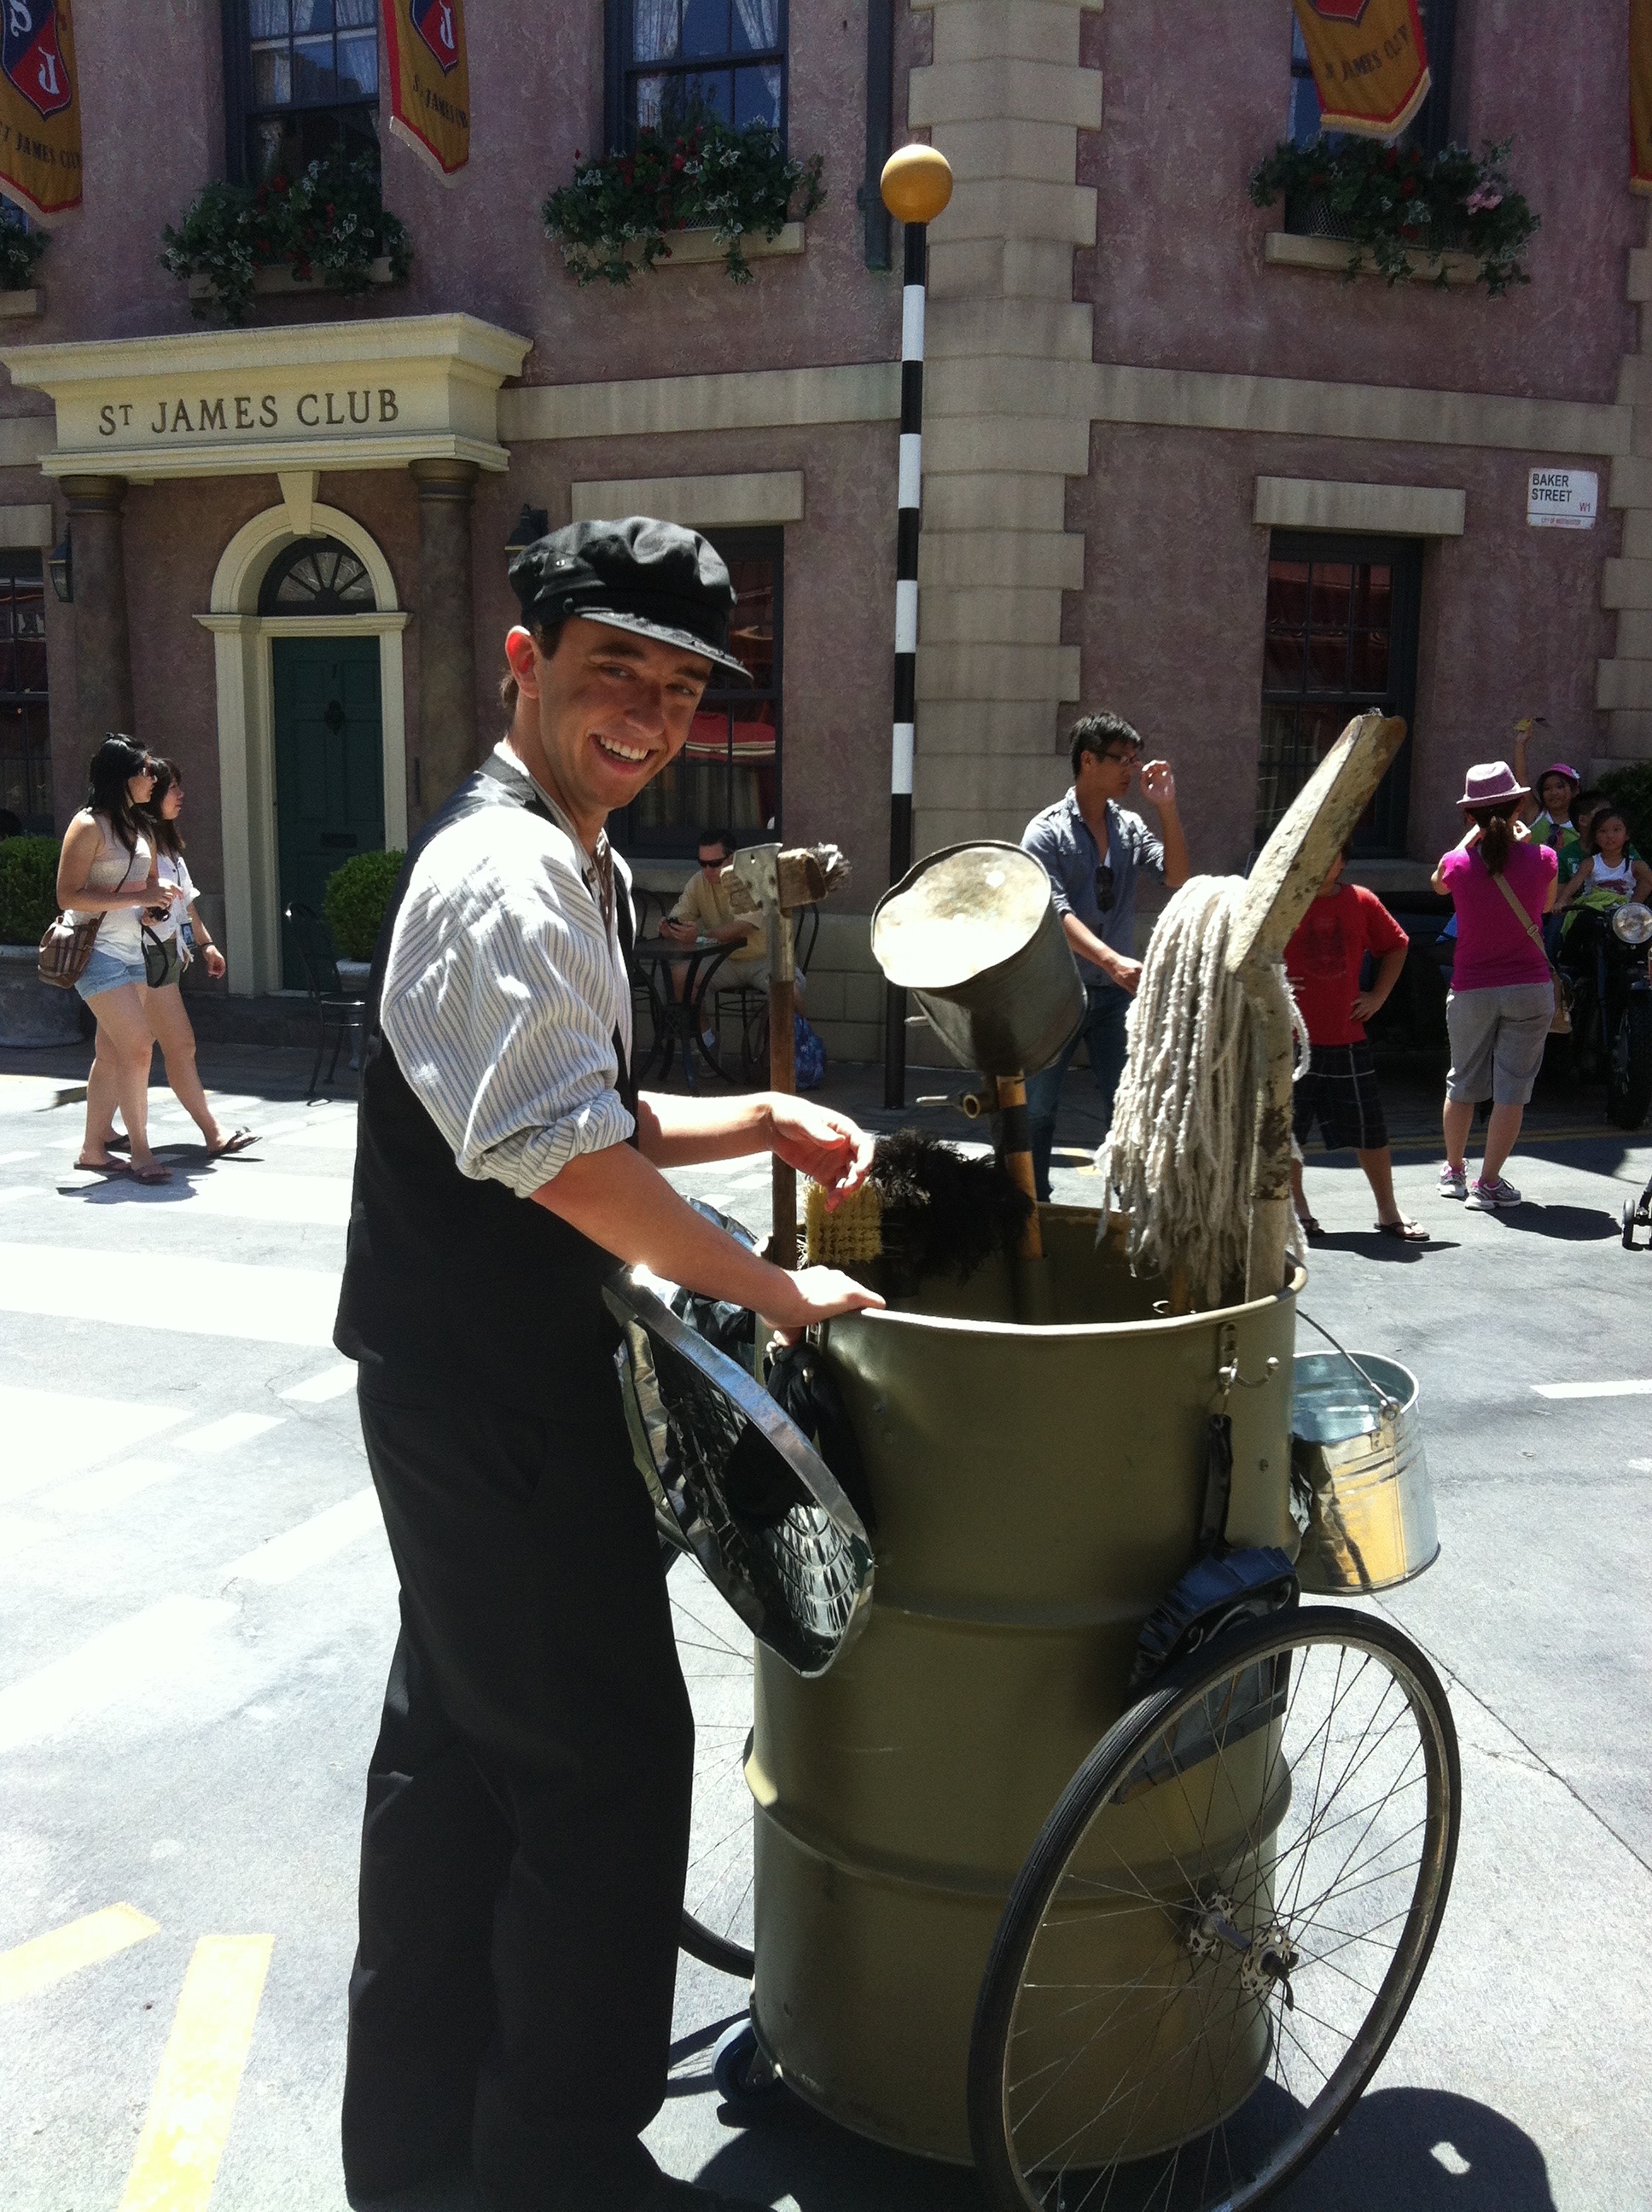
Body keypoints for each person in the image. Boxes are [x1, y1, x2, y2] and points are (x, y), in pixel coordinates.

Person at [332, 517, 882, 2212]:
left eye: (675, 684)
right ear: (524, 661)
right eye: (608, 674)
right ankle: (554, 2167)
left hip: (460, 1380)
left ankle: (420, 2159)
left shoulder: (556, 844)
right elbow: (561, 1164)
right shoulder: (508, 873)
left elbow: (577, 1102)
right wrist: (773, 1292)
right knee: (601, 1783)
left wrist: (756, 1119)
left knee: (454, 1770)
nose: (645, 714)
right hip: (501, 1399)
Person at [1020, 711, 1190, 1199]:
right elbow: (1055, 911)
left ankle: (1135, 1209)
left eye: (1135, 760)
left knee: (1129, 1105)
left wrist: (1168, 806)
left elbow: (1176, 875)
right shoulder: (1046, 832)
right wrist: (1110, 960)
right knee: (1037, 1110)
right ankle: (1031, 1209)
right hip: (1056, 994)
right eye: (1122, 759)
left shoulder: (1130, 827)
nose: (1132, 770)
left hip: (1115, 998)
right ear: (1088, 760)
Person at [86, 757, 257, 1162]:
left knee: (116, 1051)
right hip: (141, 956)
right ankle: (210, 1133)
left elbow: (186, 901)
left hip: (160, 955)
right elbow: (127, 901)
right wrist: (148, 910)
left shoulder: (162, 842)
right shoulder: (137, 843)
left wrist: (206, 943)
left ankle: (97, 1140)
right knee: (169, 1046)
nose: (180, 795)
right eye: (172, 788)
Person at [1430, 760, 1558, 1211]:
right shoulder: (1543, 858)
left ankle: (1453, 1171)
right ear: (1520, 804)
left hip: (1471, 986)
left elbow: (1438, 884)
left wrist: (1470, 841)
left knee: (1461, 1080)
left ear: (1470, 817)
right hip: (1528, 986)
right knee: (1512, 1089)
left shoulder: (1456, 865)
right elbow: (1544, 906)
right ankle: (1488, 1184)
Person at [55, 735, 177, 1185]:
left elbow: (141, 890)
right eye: (146, 770)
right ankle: (142, 1153)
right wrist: (141, 894)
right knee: (140, 1044)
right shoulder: (88, 826)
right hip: (93, 952)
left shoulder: (140, 825)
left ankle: (92, 1151)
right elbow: (68, 895)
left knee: (111, 1053)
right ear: (122, 776)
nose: (153, 777)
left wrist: (153, 903)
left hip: (132, 951)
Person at [1285, 845, 1422, 1240]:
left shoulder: (1361, 900)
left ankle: (1388, 1211)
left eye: (1329, 854)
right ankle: (1298, 1210)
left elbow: (1397, 945)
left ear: (1342, 860)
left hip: (1347, 1036)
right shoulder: (1284, 902)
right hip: (1293, 1039)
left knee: (1370, 1129)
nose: (1320, 861)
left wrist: (1378, 996)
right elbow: (1249, 953)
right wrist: (1273, 981)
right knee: (1290, 1131)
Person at [658, 825, 771, 1051]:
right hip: (724, 960)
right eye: (702, 863)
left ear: (731, 859)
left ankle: (799, 1049)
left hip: (763, 958)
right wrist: (671, 929)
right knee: (679, 974)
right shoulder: (698, 882)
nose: (707, 870)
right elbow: (680, 916)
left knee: (791, 993)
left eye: (714, 864)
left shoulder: (748, 878)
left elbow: (744, 926)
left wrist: (698, 936)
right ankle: (707, 1042)